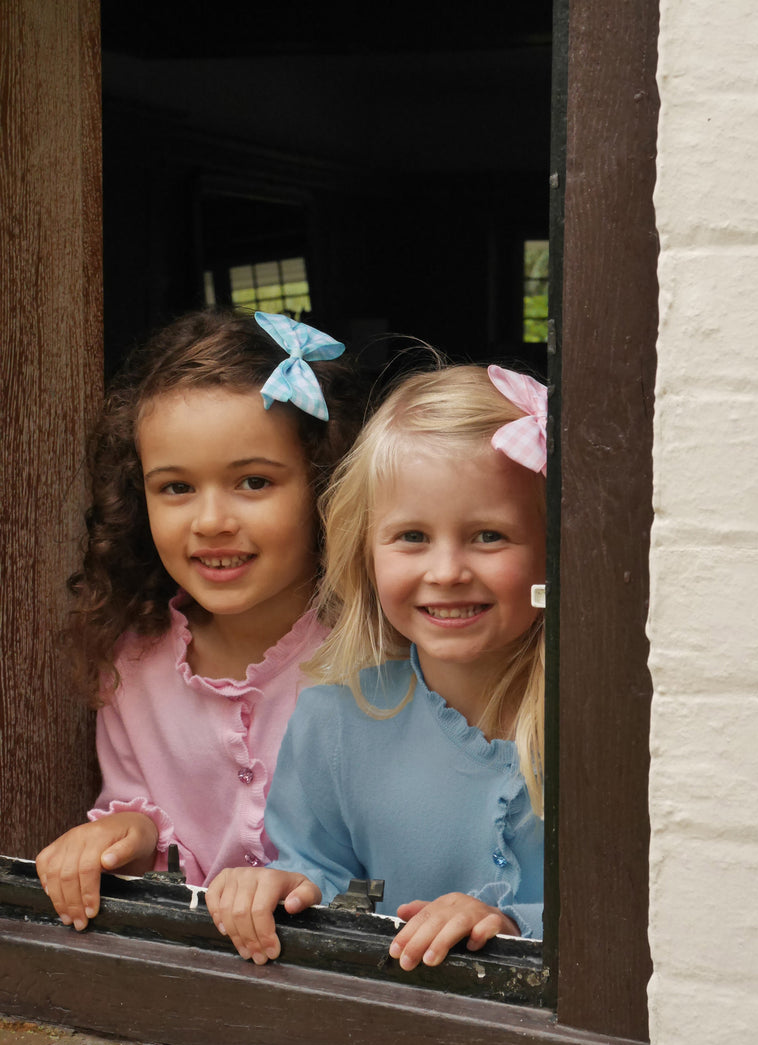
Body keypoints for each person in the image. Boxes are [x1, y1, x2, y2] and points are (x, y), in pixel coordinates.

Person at [206, 362, 548, 971]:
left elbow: (650, 897)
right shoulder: (334, 720)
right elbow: (318, 872)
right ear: (364, 551)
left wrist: (513, 924)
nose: (446, 572)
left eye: (489, 536)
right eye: (412, 536)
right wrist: (278, 888)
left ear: (556, 547)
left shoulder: (605, 719)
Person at [35, 308, 364, 931]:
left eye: (253, 481)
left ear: (326, 485)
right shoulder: (131, 663)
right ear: (138, 499)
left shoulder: (376, 657)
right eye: (176, 488)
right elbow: (139, 819)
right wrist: (120, 834)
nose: (211, 520)